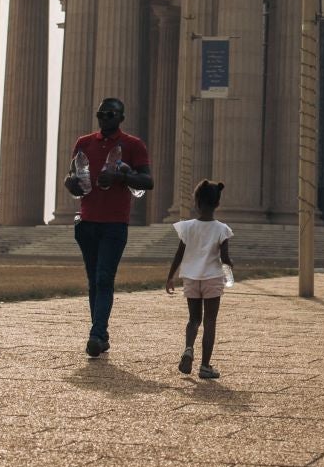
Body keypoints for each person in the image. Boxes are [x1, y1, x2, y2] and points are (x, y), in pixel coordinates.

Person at [63, 97, 154, 358]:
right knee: (94, 281)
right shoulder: (84, 142)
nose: (104, 118)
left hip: (114, 223)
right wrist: (71, 184)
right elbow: (71, 176)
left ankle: (97, 333)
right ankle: (100, 334)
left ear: (120, 118)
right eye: (101, 114)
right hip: (87, 221)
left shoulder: (133, 145)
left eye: (110, 114)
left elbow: (148, 181)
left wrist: (120, 176)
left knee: (104, 278)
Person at [166, 180, 235, 380]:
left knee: (193, 319)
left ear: (196, 202)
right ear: (217, 203)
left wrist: (170, 277)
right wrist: (231, 267)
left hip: (191, 277)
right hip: (212, 278)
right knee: (210, 321)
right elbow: (224, 259)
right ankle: (205, 366)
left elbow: (179, 253)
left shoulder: (187, 227)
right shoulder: (222, 229)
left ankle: (188, 348)